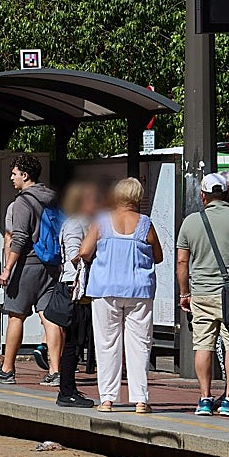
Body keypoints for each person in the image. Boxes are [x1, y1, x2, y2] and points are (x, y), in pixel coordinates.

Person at [177, 173, 229, 418]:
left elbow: (182, 262)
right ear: (226, 194)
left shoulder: (190, 222)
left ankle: (204, 399)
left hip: (201, 292)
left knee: (203, 345)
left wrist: (185, 293)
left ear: (203, 196)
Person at [79, 177, 163, 413]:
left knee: (107, 344)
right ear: (137, 198)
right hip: (139, 291)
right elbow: (158, 256)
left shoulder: (101, 221)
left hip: (105, 290)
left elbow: (85, 252)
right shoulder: (146, 223)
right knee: (140, 345)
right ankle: (140, 400)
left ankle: (107, 399)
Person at [0, 155, 63, 384]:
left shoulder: (23, 202)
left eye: (15, 173)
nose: (11, 178)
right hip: (52, 265)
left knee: (16, 316)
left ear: (25, 175)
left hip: (28, 264)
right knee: (49, 317)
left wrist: (8, 268)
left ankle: (7, 369)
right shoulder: (53, 198)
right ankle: (55, 371)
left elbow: (18, 237)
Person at [55, 181, 100, 407]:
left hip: (81, 288)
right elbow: (75, 255)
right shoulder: (76, 224)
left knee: (77, 342)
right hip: (74, 289)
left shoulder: (86, 222)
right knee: (73, 342)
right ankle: (66, 391)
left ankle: (70, 388)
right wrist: (93, 250)